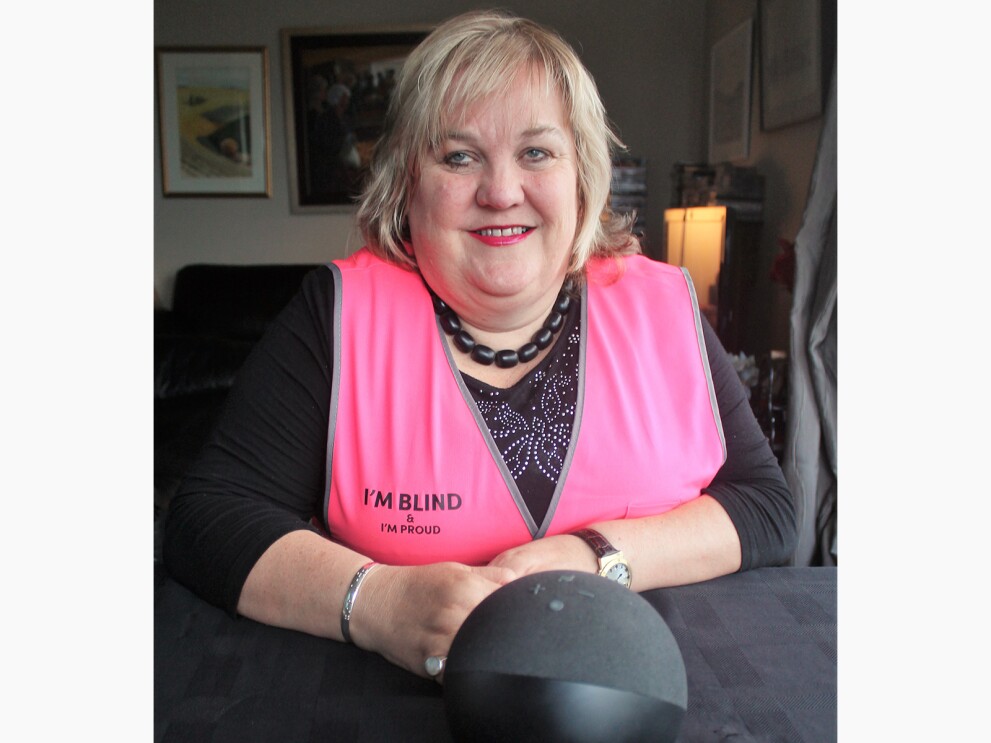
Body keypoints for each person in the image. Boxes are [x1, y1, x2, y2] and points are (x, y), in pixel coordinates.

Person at [164, 10, 795, 682]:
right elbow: (206, 521)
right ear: (407, 184)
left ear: (581, 175)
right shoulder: (337, 314)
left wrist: (597, 556)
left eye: (536, 152)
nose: (500, 192)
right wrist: (376, 600)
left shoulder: (664, 304)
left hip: (668, 692)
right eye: (458, 156)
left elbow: (764, 505)